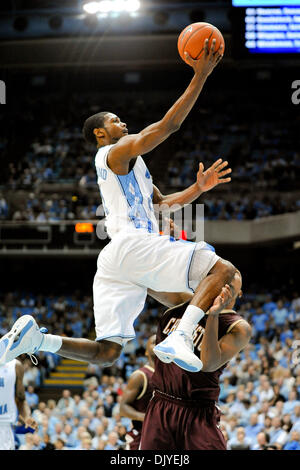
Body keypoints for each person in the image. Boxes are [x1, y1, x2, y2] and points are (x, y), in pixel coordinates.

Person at [0, 39, 236, 374]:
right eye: (115, 120)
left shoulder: (135, 166)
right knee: (222, 271)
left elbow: (162, 204)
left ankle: (36, 341)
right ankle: (181, 336)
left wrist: (198, 188)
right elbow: (168, 126)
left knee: (108, 351)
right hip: (134, 245)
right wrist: (201, 75)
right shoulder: (113, 153)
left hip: (118, 258)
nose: (123, 124)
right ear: (100, 133)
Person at [140, 271, 252, 450]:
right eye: (219, 281)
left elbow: (208, 365)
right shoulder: (184, 301)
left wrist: (213, 315)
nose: (222, 287)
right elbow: (144, 282)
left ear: (238, 294)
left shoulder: (238, 327)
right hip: (161, 404)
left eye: (229, 287)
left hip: (198, 412)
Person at [119, 335, 155, 450]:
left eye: (162, 341)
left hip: (165, 436)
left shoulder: (171, 377)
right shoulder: (140, 376)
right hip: (142, 435)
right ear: (146, 352)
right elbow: (123, 408)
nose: (159, 343)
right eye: (155, 342)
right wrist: (147, 417)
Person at [0, 359, 37, 450]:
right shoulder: (16, 365)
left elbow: (21, 398)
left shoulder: (15, 365)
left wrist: (27, 416)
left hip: (5, 426)